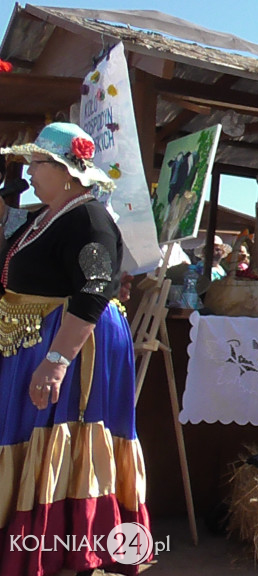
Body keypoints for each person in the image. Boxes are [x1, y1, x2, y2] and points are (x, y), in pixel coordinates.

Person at [0, 122, 150, 575]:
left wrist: (56, 361)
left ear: (66, 171)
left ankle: (66, 546)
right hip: (32, 337)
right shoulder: (42, 216)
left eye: (36, 163)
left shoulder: (89, 219)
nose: (29, 172)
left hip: (71, 345)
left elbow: (93, 291)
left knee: (60, 431)